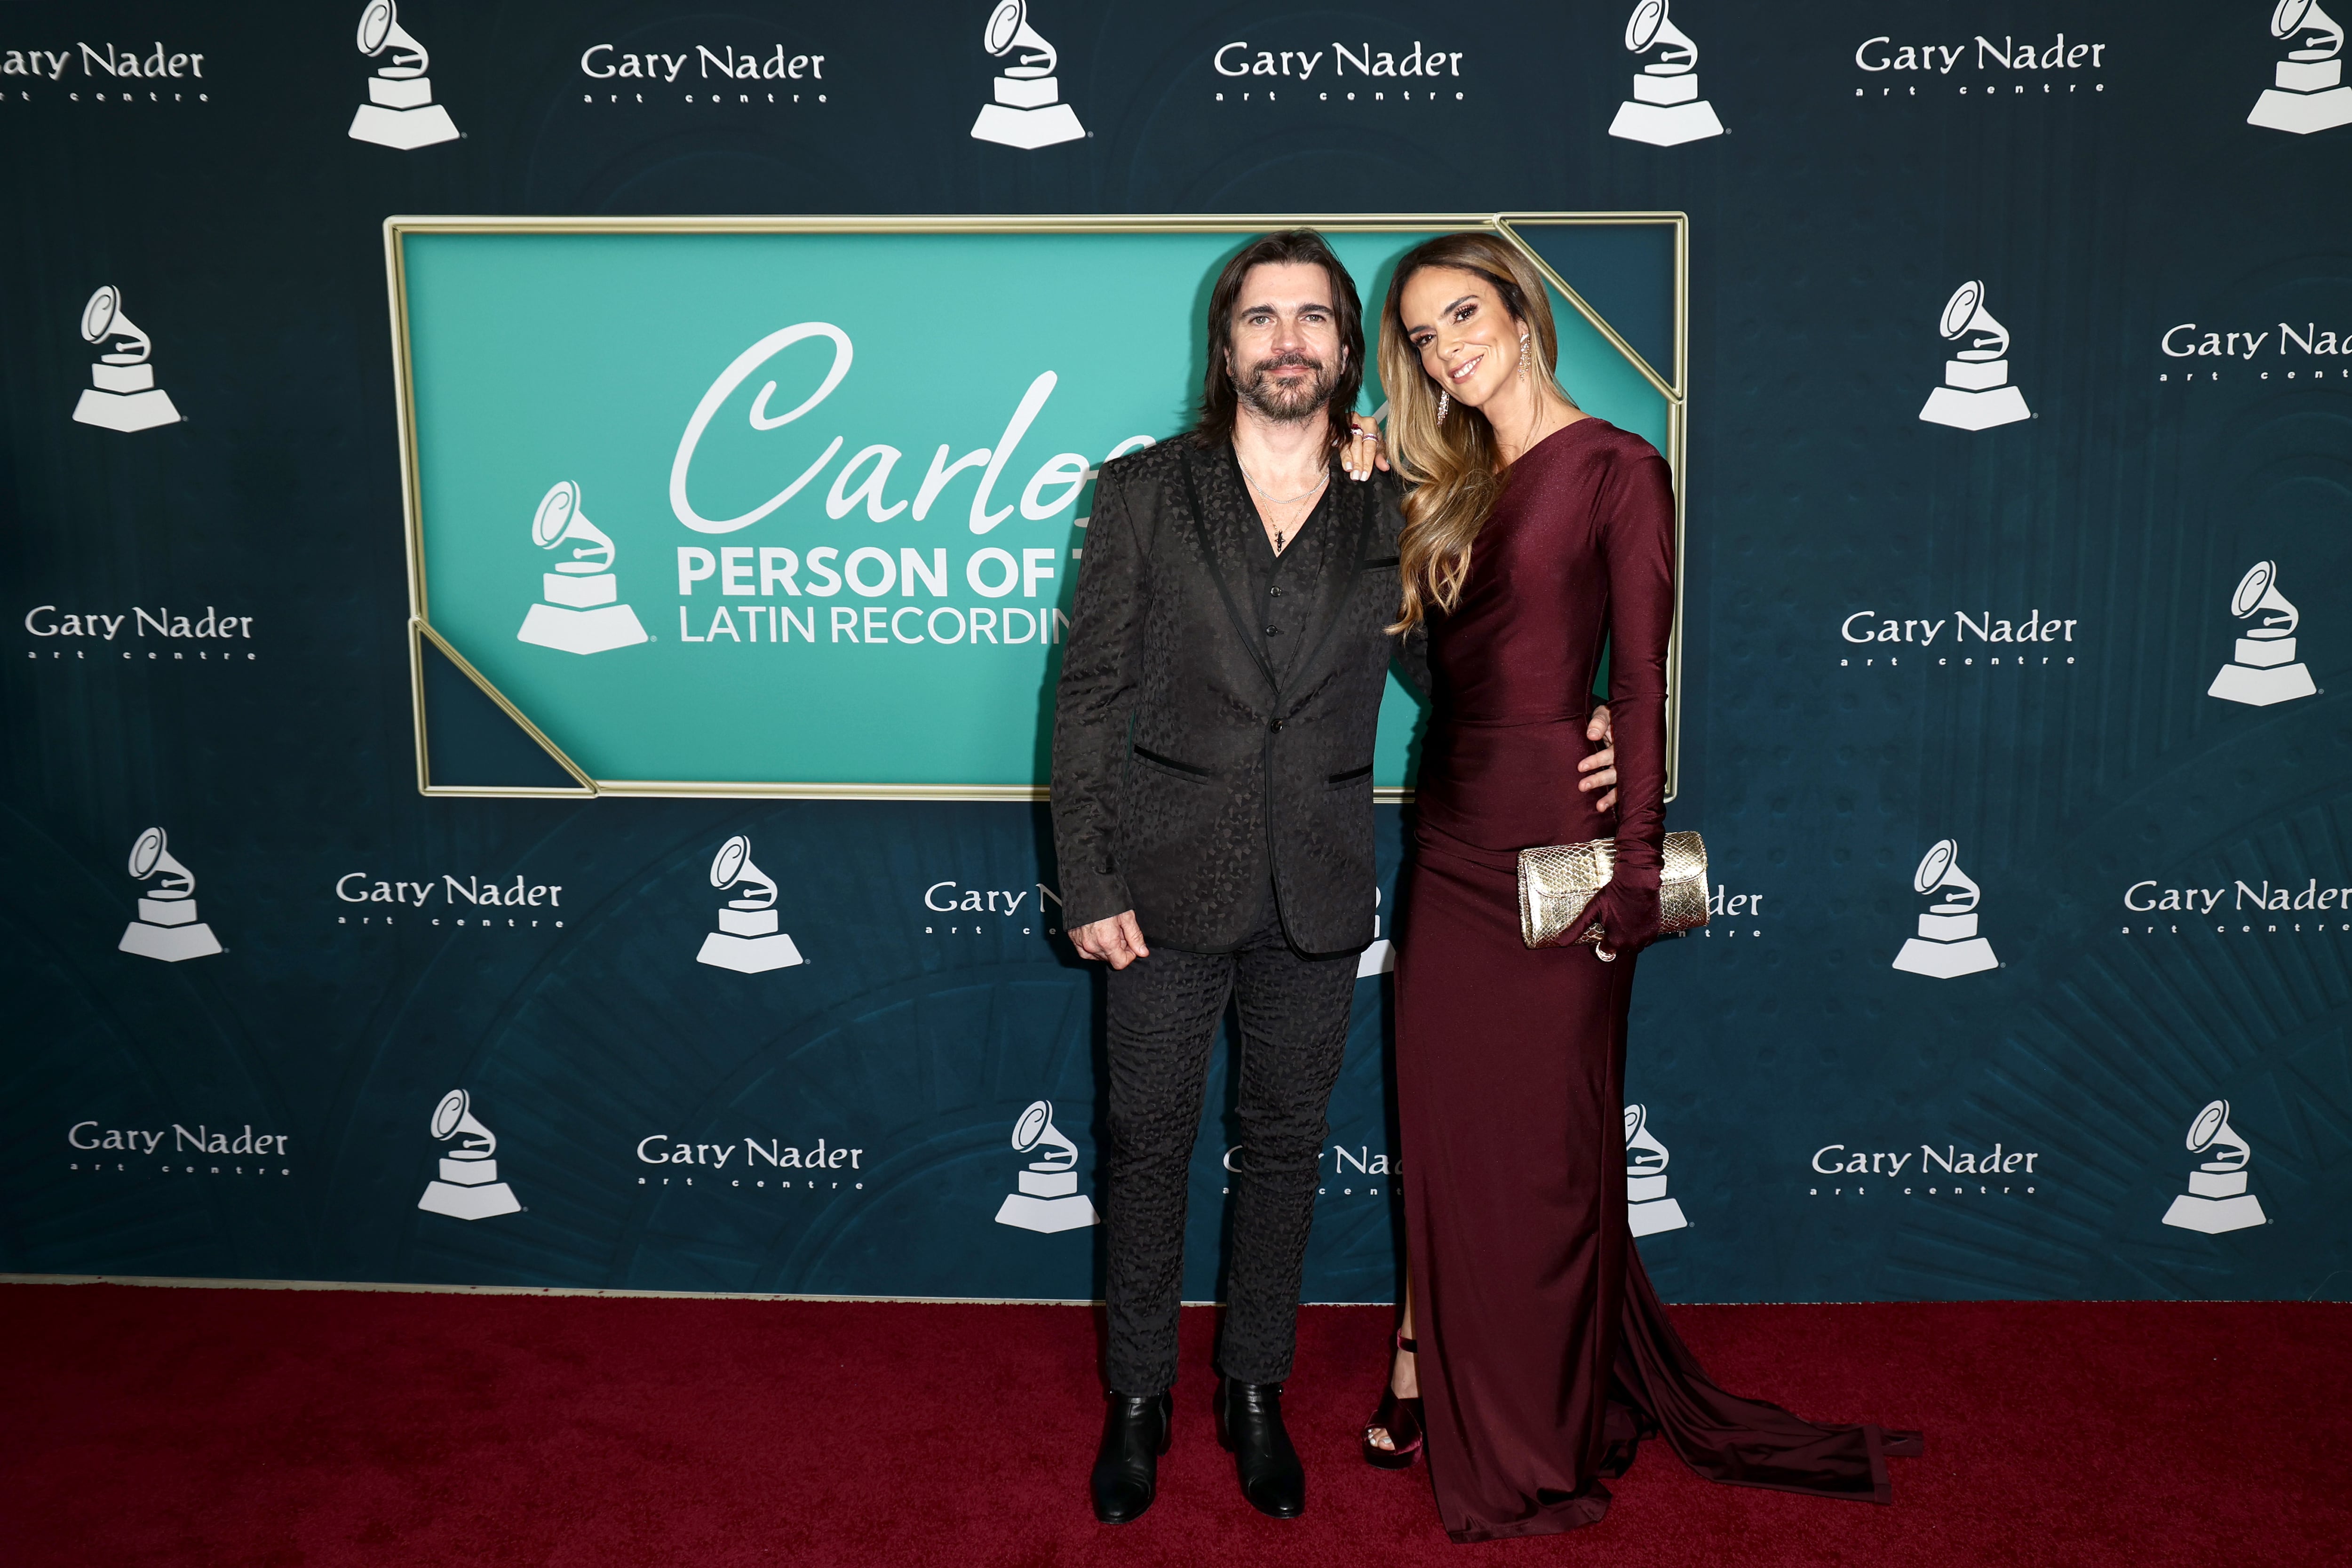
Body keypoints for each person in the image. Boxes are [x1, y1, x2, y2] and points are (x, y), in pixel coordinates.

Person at [1050, 228, 1621, 1525]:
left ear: (1349, 351)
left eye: (1314, 319)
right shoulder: (1144, 491)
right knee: (1146, 1149)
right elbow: (1086, 698)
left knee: (1288, 1153)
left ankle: (1255, 1391)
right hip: (1158, 886)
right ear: (1228, 345)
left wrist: (1580, 718)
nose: (1289, 341)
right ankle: (1138, 1400)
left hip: (1316, 887)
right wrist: (1086, 879)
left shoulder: (1397, 508)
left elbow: (1462, 672)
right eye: (1262, 320)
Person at [1362, 231, 1920, 1541]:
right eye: (1425, 335)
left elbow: (1646, 682)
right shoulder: (1440, 488)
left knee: (1552, 1148)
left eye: (1465, 315)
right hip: (1447, 838)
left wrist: (1632, 868)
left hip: (1563, 850)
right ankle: (1422, 1356)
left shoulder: (1617, 468)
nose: (1447, 348)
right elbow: (1429, 672)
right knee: (1446, 1125)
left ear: (1523, 312)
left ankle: (1540, 1425)